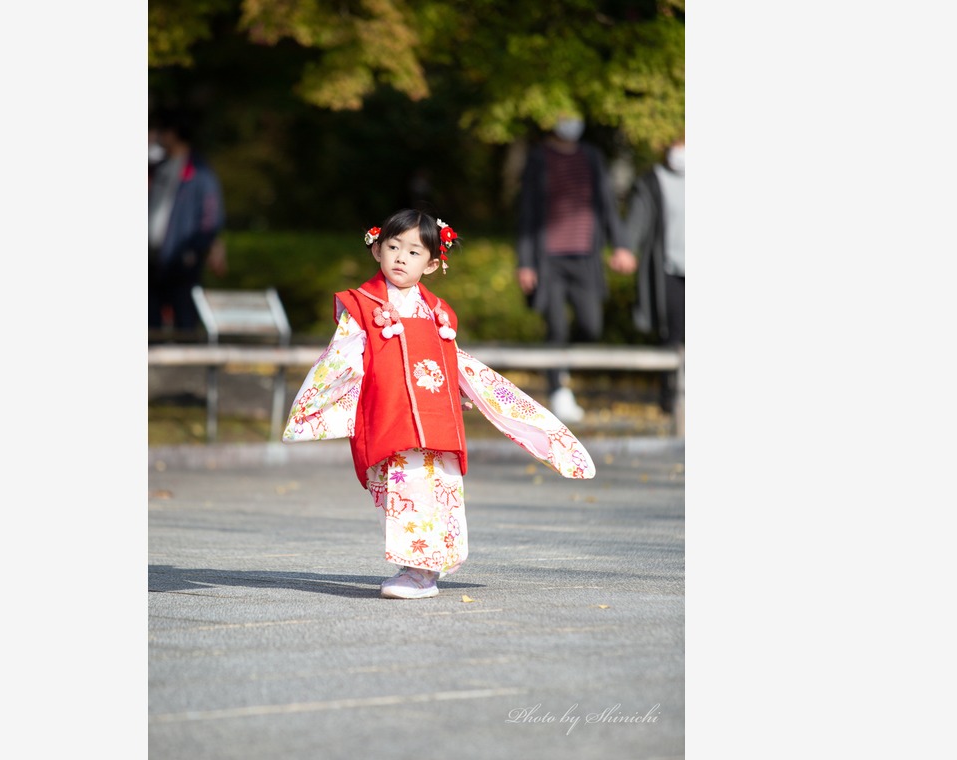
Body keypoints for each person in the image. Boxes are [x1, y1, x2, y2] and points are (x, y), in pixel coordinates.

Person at [282, 209, 596, 600]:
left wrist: (464, 391)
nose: (400, 257)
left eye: (413, 252)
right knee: (399, 490)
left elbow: (453, 361)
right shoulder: (362, 306)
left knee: (437, 488)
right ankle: (418, 568)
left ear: (432, 264)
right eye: (393, 247)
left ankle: (423, 572)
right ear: (376, 249)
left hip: (436, 420)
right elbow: (339, 360)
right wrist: (320, 406)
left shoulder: (439, 313)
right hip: (390, 416)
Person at [515, 114, 635, 423]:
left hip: (585, 257)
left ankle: (563, 367)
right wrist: (525, 262)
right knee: (556, 326)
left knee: (591, 324)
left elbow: (607, 203)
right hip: (549, 258)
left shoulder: (592, 156)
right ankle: (558, 389)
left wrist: (620, 244)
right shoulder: (539, 158)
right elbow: (527, 211)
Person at [609, 136, 685, 413]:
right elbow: (639, 219)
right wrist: (626, 248)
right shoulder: (653, 181)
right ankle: (671, 401)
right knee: (675, 332)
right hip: (672, 268)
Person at [148, 110, 225, 334]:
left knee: (184, 320)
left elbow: (210, 218)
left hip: (182, 260)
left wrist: (193, 251)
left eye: (162, 131)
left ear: (173, 133)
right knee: (151, 321)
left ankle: (186, 368)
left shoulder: (199, 173)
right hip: (153, 259)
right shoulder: (158, 168)